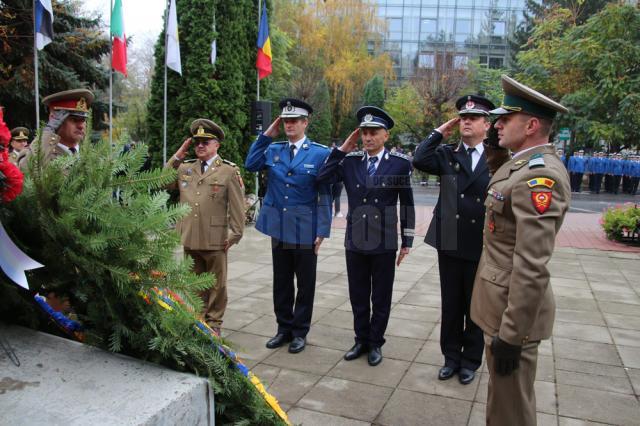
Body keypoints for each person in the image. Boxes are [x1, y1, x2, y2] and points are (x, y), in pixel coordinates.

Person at [470, 75, 571, 426]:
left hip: (512, 318)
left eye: (505, 120)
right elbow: (505, 194)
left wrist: (512, 336)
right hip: (501, 306)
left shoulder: (539, 178)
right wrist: (497, 152)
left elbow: (531, 264)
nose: (496, 125)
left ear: (530, 125)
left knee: (511, 412)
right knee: (503, 403)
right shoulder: (522, 164)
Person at [316, 106, 415, 366]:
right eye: (364, 133)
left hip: (383, 242)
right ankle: (360, 339)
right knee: (358, 294)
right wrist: (342, 149)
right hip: (356, 239)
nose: (368, 137)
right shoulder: (350, 162)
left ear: (385, 136)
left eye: (374, 132)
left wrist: (408, 241)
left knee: (381, 296)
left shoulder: (399, 164)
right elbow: (323, 177)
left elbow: (407, 203)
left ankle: (375, 343)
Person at [412, 94, 495, 385]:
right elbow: (419, 158)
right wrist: (438, 132)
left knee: (475, 305)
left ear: (487, 124)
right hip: (449, 237)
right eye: (463, 117)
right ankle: (451, 357)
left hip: (480, 239)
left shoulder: (497, 157)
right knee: (451, 303)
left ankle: (471, 360)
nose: (467, 121)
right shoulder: (448, 154)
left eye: (473, 118)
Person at [245, 98, 331, 354]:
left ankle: (299, 332)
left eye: (294, 121)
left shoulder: (320, 153)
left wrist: (322, 230)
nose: (289, 125)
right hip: (279, 227)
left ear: (305, 123)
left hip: (305, 228)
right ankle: (283, 329)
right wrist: (266, 136)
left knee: (305, 284)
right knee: (281, 281)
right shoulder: (274, 150)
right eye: (285, 121)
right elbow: (250, 164)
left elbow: (326, 194)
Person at [166, 119, 245, 333]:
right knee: (193, 282)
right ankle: (197, 319)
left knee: (217, 284)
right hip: (189, 235)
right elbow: (163, 181)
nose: (200, 145)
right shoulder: (185, 167)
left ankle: (214, 323)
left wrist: (235, 234)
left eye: (206, 142)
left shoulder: (228, 171)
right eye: (197, 142)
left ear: (216, 145)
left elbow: (238, 206)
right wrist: (177, 155)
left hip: (216, 237)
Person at [18, 89, 94, 171]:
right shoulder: (37, 153)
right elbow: (27, 170)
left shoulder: (92, 155)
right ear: (53, 119)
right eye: (74, 120)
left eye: (83, 120)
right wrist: (49, 130)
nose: (81, 126)